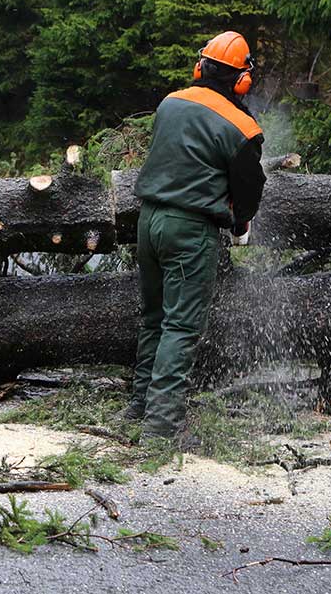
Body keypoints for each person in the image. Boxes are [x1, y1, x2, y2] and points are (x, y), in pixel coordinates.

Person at [125, 31, 267, 446]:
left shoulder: (171, 102)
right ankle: (160, 429)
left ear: (200, 66)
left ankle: (138, 408)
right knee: (181, 327)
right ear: (242, 79)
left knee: (153, 318)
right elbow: (249, 189)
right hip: (190, 231)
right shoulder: (243, 128)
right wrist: (241, 222)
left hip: (148, 222)